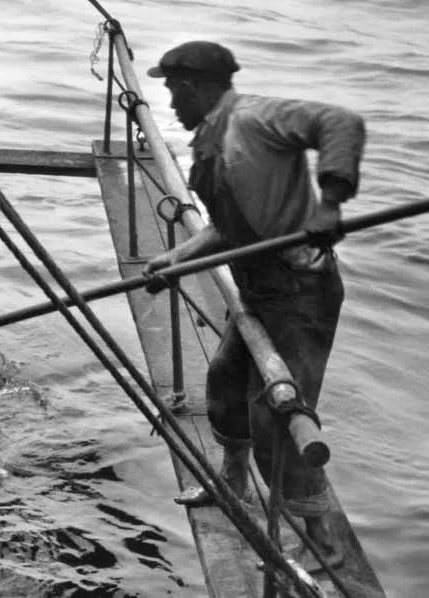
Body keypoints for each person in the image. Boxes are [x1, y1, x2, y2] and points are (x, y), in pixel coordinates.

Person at [141, 40, 365, 572]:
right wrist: (172, 261)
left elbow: (342, 122)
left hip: (300, 293)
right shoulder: (214, 139)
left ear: (195, 86)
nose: (170, 102)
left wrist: (330, 203)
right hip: (259, 290)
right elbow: (226, 230)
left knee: (278, 414)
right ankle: (233, 486)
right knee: (223, 380)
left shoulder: (257, 117)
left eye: (173, 89)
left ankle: (320, 539)